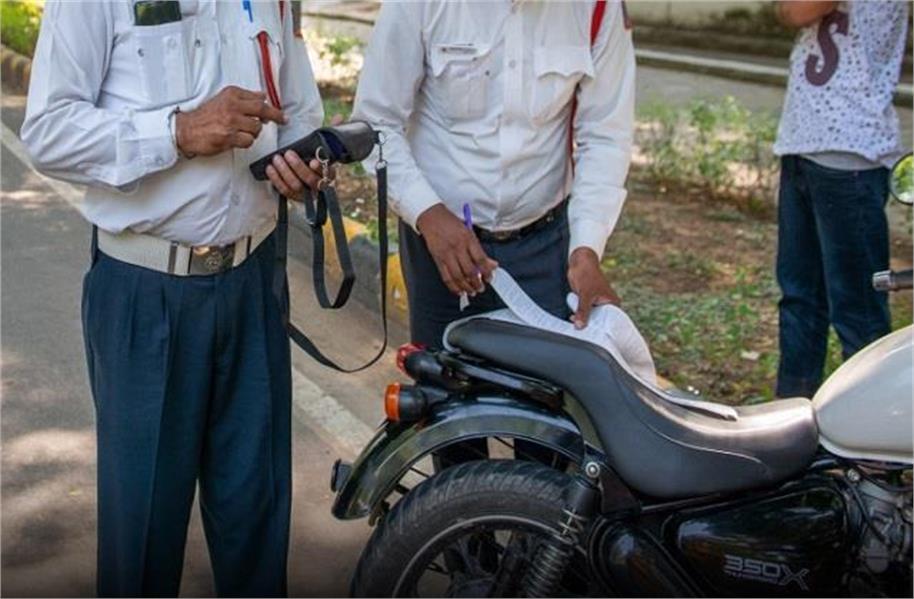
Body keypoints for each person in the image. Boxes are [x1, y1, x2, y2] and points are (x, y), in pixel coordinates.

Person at [22, 1, 325, 595]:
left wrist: (303, 160)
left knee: (257, 530)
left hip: (254, 284)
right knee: (143, 540)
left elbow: (298, 110)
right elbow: (48, 132)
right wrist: (177, 132)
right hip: (145, 293)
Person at [353, 0, 635, 352]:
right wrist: (428, 214)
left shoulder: (597, 7)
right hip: (440, 251)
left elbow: (605, 135)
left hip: (547, 250)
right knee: (443, 379)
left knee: (541, 382)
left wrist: (587, 247)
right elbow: (377, 123)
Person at [773, 0, 910, 398]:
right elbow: (785, 11)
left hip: (851, 155)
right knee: (799, 300)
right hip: (802, 144)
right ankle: (791, 415)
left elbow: (799, 9)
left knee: (859, 312)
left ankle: (873, 425)